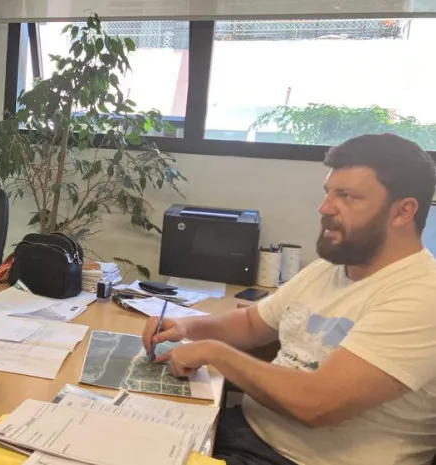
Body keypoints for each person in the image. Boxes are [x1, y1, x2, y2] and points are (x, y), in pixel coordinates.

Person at [144, 133, 436, 465]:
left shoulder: (422, 295)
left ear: (403, 211)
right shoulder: (330, 268)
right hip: (245, 433)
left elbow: (317, 404)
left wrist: (215, 352)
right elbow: (254, 323)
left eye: (347, 196)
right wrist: (186, 327)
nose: (325, 208)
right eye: (328, 193)